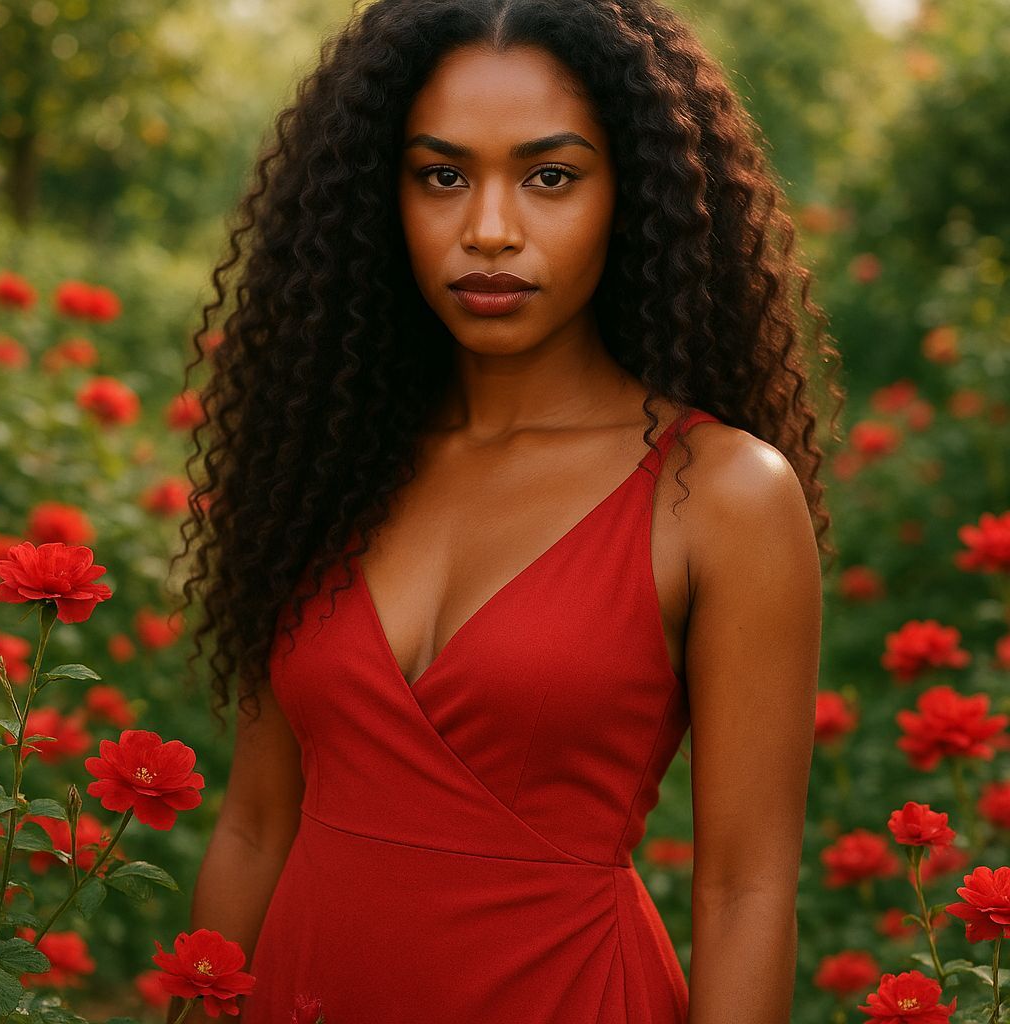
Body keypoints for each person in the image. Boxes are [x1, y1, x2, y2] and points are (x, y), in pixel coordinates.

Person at [166, 0, 842, 1021]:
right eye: (441, 174)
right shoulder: (320, 464)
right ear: (375, 195)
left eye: (550, 176)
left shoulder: (720, 492)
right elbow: (257, 824)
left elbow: (745, 890)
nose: (488, 228)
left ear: (636, 193)